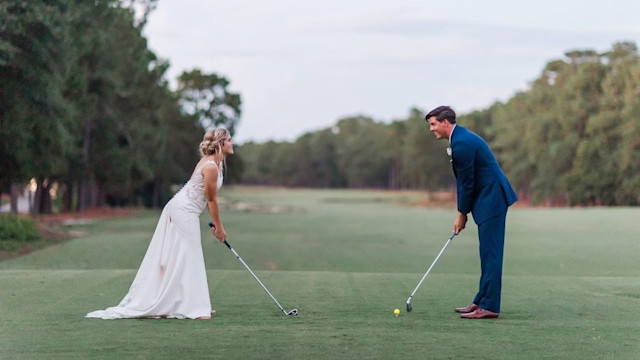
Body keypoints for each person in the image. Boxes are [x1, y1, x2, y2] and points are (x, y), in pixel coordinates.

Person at [86, 128, 234, 320]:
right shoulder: (211, 166)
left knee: (188, 253)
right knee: (191, 252)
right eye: (229, 140)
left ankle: (196, 304)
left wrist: (215, 223)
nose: (232, 143)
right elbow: (211, 200)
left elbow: (204, 197)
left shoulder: (215, 164)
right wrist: (219, 227)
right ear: (221, 144)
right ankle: (195, 308)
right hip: (183, 210)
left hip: (185, 209)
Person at [425, 106, 517, 319]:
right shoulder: (460, 139)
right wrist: (464, 213)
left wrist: (461, 214)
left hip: (492, 199)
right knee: (486, 253)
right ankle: (481, 301)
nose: (431, 129)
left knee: (491, 254)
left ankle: (490, 306)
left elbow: (466, 184)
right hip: (486, 199)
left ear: (445, 122)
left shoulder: (462, 143)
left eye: (433, 124)